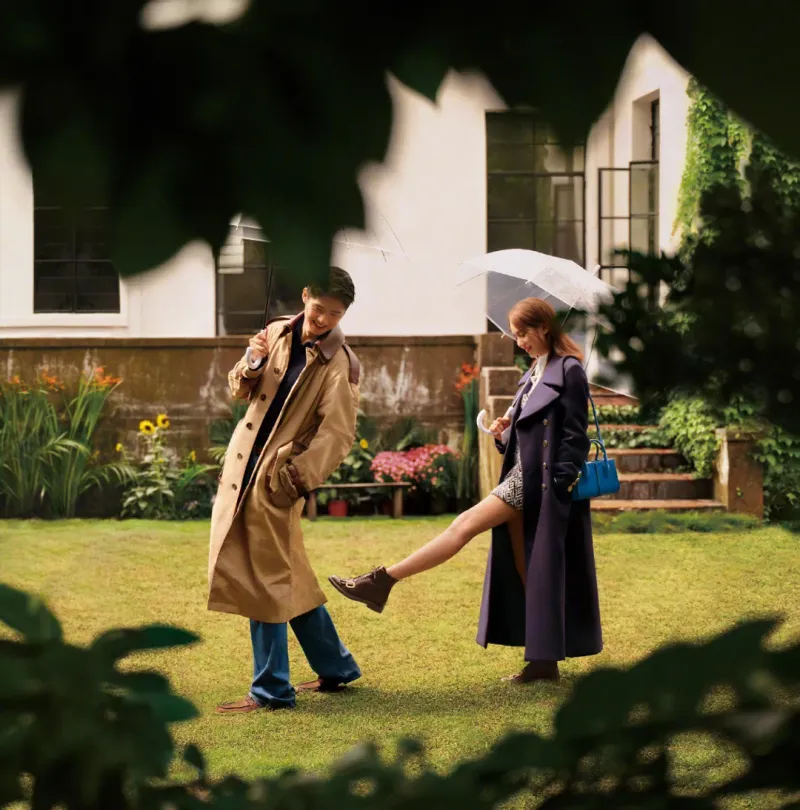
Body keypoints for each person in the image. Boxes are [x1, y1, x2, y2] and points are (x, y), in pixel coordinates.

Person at [329, 297, 602, 683]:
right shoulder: (533, 372)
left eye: (523, 333)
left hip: (537, 485)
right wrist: (504, 432)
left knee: (463, 525)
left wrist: (556, 485)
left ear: (544, 327)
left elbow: (574, 436)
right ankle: (544, 662)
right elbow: (525, 436)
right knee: (529, 571)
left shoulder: (569, 370)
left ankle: (382, 581)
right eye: (515, 335)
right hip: (520, 476)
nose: (519, 341)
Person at [208, 266, 363, 713]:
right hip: (243, 468)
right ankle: (336, 667)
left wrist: (295, 480)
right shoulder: (276, 333)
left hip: (275, 481)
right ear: (305, 295)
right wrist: (253, 359)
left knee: (264, 578)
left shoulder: (341, 364)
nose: (324, 320)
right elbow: (241, 389)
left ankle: (271, 690)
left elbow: (337, 435)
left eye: (335, 314)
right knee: (288, 574)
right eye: (319, 309)